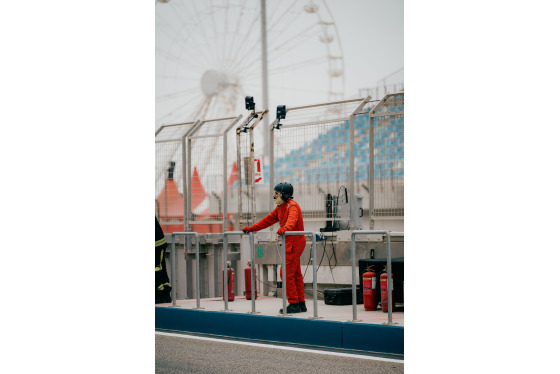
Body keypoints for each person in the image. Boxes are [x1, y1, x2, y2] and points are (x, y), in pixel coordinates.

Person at [242, 182, 307, 313]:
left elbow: (292, 219)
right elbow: (267, 220)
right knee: (295, 273)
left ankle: (294, 303)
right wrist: (252, 228)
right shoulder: (280, 207)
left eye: (276, 193)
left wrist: (286, 228)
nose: (274, 195)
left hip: (294, 242)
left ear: (284, 194)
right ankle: (301, 303)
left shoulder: (291, 206)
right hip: (292, 241)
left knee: (286, 273)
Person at [155, 216, 172, 304]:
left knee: (157, 269)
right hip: (158, 244)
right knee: (161, 269)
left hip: (157, 245)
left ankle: (160, 294)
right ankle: (165, 295)